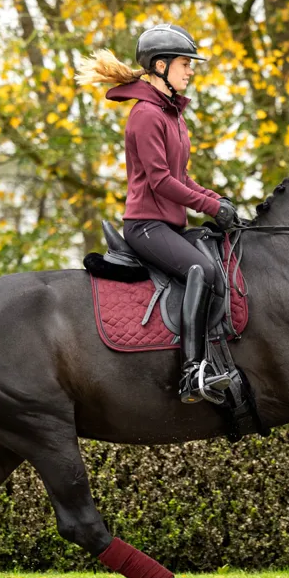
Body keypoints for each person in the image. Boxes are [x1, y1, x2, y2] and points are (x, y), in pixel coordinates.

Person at [76, 24, 239, 403]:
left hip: (170, 225)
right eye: (185, 64)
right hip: (146, 227)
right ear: (161, 66)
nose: (191, 71)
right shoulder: (146, 115)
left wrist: (219, 201)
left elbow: (182, 176)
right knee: (201, 270)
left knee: (219, 258)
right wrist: (210, 206)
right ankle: (192, 373)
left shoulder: (173, 115)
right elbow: (161, 181)